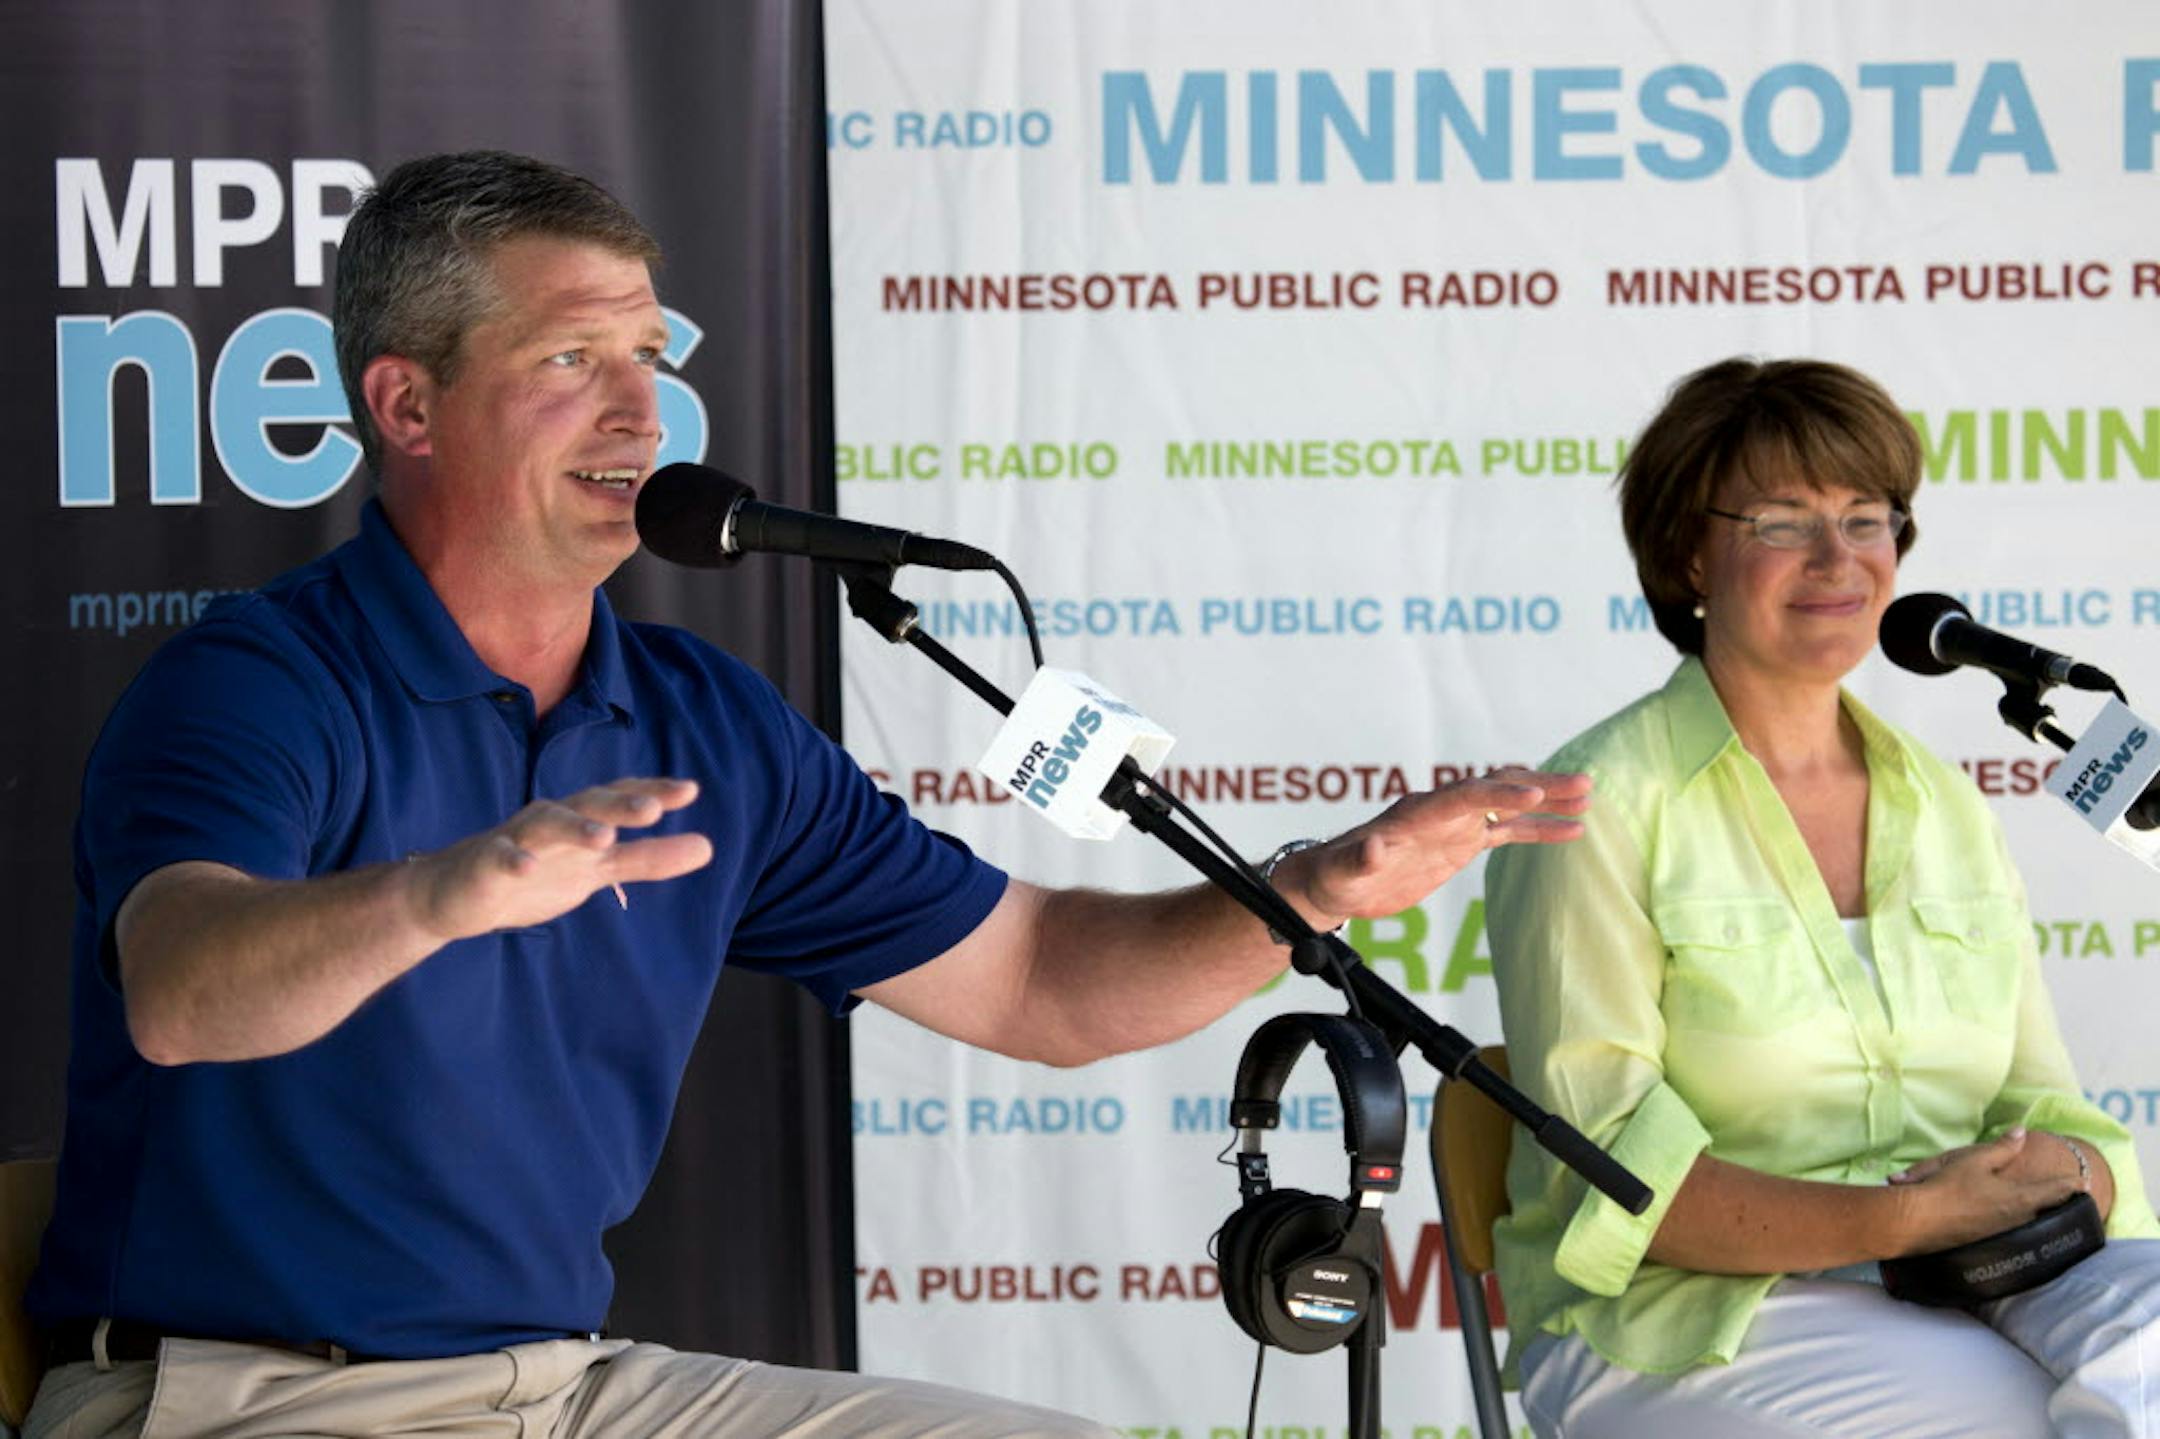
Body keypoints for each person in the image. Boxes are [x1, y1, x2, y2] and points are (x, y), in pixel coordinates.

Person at [22, 150, 1591, 1439]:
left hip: (564, 1385)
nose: (640, 413)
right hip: (247, 1393)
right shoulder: (259, 682)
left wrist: (1314, 882)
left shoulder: (701, 714)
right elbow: (179, 983)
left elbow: (1038, 978)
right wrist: (444, 889)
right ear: (408, 405)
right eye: (571, 361)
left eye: (650, 358)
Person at [1483, 356, 2160, 1437]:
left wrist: (2065, 1168)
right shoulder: (1596, 805)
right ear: (1685, 550)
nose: (1839, 559)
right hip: (1686, 1313)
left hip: (1970, 1267)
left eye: (1867, 517)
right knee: (2006, 1422)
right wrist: (1903, 1213)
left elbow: (2049, 1107)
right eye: (1783, 521)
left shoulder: (1945, 804)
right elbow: (1613, 1172)